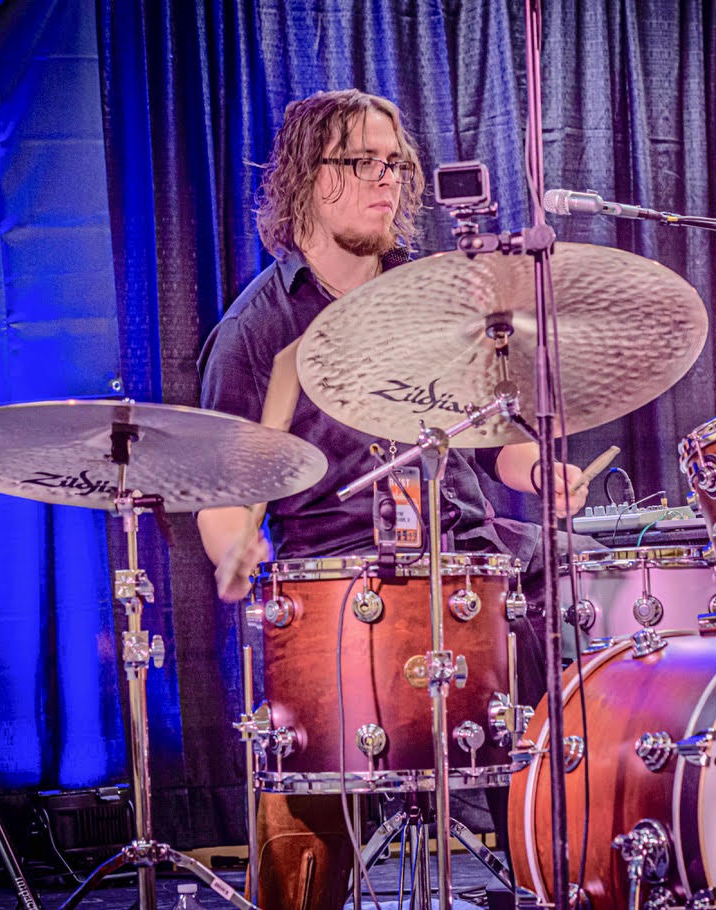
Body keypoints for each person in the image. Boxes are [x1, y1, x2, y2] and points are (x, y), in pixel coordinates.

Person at [196, 88, 586, 910]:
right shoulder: (256, 329)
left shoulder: (434, 300)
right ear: (306, 176)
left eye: (394, 164)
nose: (387, 182)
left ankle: (562, 849)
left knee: (570, 574)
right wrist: (237, 546)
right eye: (361, 162)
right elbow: (222, 491)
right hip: (336, 582)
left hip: (470, 558)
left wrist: (537, 470)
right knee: (302, 780)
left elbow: (501, 432)